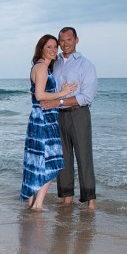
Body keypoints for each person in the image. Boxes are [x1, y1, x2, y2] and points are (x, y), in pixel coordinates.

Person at [41, 27, 97, 210]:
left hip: (78, 114)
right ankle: (66, 199)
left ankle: (90, 203)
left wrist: (60, 100)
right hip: (58, 116)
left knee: (83, 157)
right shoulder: (54, 63)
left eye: (69, 40)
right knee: (62, 159)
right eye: (62, 40)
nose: (65, 44)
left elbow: (86, 97)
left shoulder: (85, 65)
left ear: (76, 40)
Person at [20, 34, 77, 209]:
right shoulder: (42, 68)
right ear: (41, 49)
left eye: (55, 47)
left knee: (36, 162)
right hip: (44, 120)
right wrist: (63, 93)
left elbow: (38, 94)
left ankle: (32, 204)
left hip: (40, 118)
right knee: (51, 163)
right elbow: (39, 95)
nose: (53, 50)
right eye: (49, 47)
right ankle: (37, 205)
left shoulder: (39, 67)